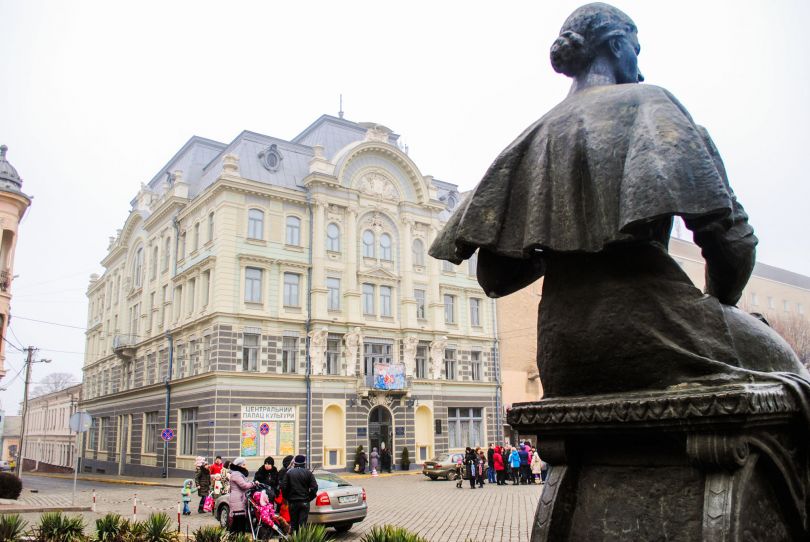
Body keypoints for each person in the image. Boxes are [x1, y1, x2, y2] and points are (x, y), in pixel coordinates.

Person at [428, 3, 810, 405]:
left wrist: (563, 241)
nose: (640, 69)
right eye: (635, 50)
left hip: (563, 350)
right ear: (614, 46)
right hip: (658, 326)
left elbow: (496, 277)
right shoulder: (650, 103)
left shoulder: (527, 140)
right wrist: (720, 304)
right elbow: (731, 242)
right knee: (793, 381)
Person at [280, 454, 318, 532]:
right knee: (302, 526)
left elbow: (283, 487)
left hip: (292, 502)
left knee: (293, 525)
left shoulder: (289, 473)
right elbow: (314, 488)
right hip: (304, 502)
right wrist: (308, 498)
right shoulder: (308, 473)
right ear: (304, 463)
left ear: (295, 463)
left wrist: (287, 497)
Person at [227, 457, 255, 533]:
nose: (245, 466)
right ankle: (236, 538)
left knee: (238, 522)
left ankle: (234, 538)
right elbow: (244, 485)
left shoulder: (239, 474)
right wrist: (253, 484)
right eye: (244, 464)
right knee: (239, 521)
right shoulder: (236, 474)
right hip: (237, 500)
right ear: (239, 465)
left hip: (239, 499)